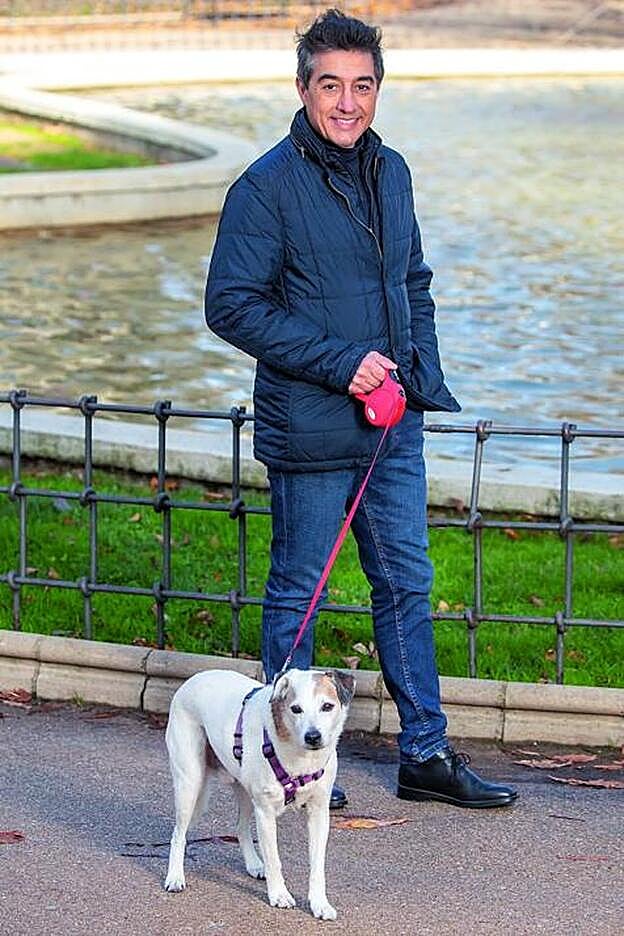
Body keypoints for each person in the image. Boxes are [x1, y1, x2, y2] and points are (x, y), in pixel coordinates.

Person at [205, 8, 517, 811]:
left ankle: (426, 752)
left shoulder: (395, 171)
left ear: (379, 90)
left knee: (406, 581)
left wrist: (414, 377)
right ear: (303, 87)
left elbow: (413, 280)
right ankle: (290, 767)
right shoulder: (264, 187)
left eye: (363, 85)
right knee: (298, 590)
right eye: (331, 85)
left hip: (391, 425)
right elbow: (231, 305)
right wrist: (343, 363)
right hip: (310, 425)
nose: (348, 102)